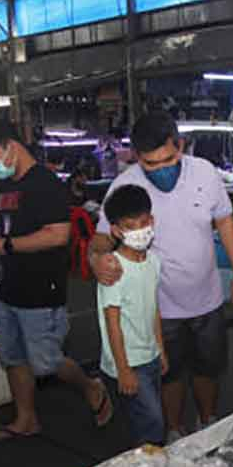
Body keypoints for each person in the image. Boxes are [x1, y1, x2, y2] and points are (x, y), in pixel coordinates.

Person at [93, 111, 233, 443]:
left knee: (209, 367)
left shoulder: (205, 173)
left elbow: (225, 223)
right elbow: (100, 241)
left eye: (169, 159)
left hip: (207, 298)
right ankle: (175, 428)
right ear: (137, 157)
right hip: (160, 307)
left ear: (179, 145)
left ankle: (208, 421)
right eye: (152, 164)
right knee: (170, 374)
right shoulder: (124, 187)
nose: (162, 169)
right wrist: (96, 260)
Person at [0, 119, 113, 441]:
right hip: (10, 287)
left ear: (12, 147)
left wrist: (3, 245)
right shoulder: (6, 188)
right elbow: (9, 230)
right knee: (12, 357)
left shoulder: (45, 183)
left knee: (47, 362)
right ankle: (26, 420)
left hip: (42, 289)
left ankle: (91, 386)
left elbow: (59, 235)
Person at [97, 185, 168, 447]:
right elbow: (112, 323)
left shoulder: (154, 261)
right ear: (116, 230)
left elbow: (153, 309)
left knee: (147, 419)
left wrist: (160, 349)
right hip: (128, 361)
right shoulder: (113, 270)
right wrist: (123, 369)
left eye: (144, 222)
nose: (140, 230)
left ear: (152, 220)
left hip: (149, 355)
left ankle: (147, 463)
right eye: (130, 225)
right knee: (153, 424)